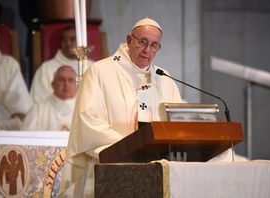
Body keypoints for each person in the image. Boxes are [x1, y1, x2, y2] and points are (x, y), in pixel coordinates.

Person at [59, 17, 182, 197]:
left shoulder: (164, 78)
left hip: (156, 172)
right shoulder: (100, 71)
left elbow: (178, 123)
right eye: (143, 42)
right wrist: (130, 147)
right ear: (129, 39)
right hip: (108, 171)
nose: (147, 50)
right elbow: (89, 121)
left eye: (154, 45)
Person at [30, 26, 94, 103]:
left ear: (81, 41)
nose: (68, 43)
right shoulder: (46, 68)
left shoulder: (93, 67)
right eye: (64, 40)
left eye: (72, 39)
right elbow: (38, 100)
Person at [21, 66, 76, 131]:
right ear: (53, 84)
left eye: (70, 80)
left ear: (77, 85)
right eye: (61, 79)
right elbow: (26, 138)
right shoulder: (37, 110)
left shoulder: (85, 109)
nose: (66, 84)